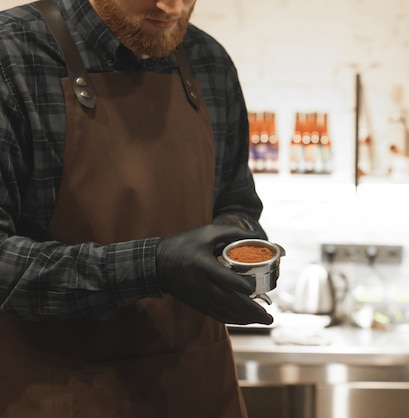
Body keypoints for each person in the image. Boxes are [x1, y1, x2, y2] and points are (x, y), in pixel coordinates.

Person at [0, 0, 274, 416]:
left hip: (197, 390)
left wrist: (235, 249)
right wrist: (153, 266)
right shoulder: (12, 54)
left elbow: (236, 201)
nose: (172, 6)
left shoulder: (209, 63)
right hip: (58, 394)